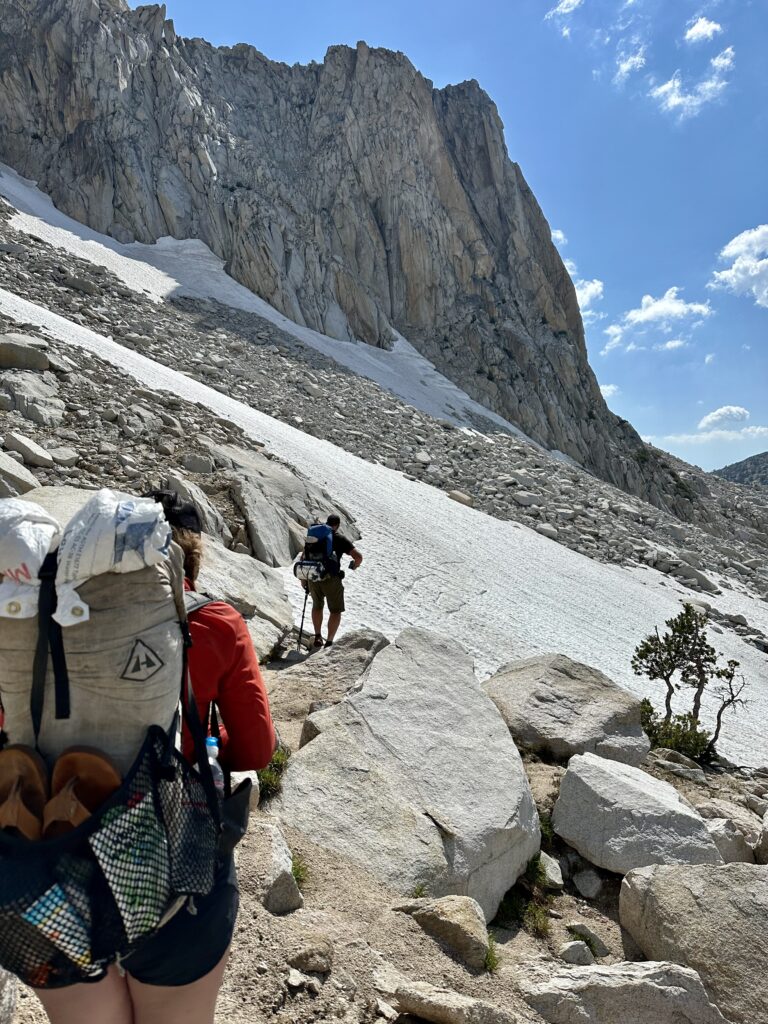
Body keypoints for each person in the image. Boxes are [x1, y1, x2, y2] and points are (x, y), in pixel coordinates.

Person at [31, 491, 276, 1024]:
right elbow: (258, 748)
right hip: (173, 863)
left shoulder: (41, 625)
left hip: (54, 855)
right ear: (188, 555)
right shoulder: (216, 623)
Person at [305, 513, 363, 648]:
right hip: (331, 579)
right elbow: (358, 557)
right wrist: (354, 566)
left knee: (317, 606)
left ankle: (318, 636)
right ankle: (329, 642)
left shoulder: (314, 536)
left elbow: (304, 556)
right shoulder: (339, 538)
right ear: (337, 525)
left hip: (313, 576)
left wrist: (304, 580)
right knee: (335, 611)